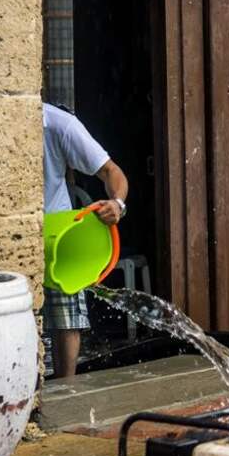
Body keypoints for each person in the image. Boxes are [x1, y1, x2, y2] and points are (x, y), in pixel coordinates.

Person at [43, 102, 129, 378]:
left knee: (67, 319)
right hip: (11, 231)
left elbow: (112, 172)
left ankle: (68, 387)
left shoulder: (59, 124)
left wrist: (117, 203)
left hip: (59, 233)